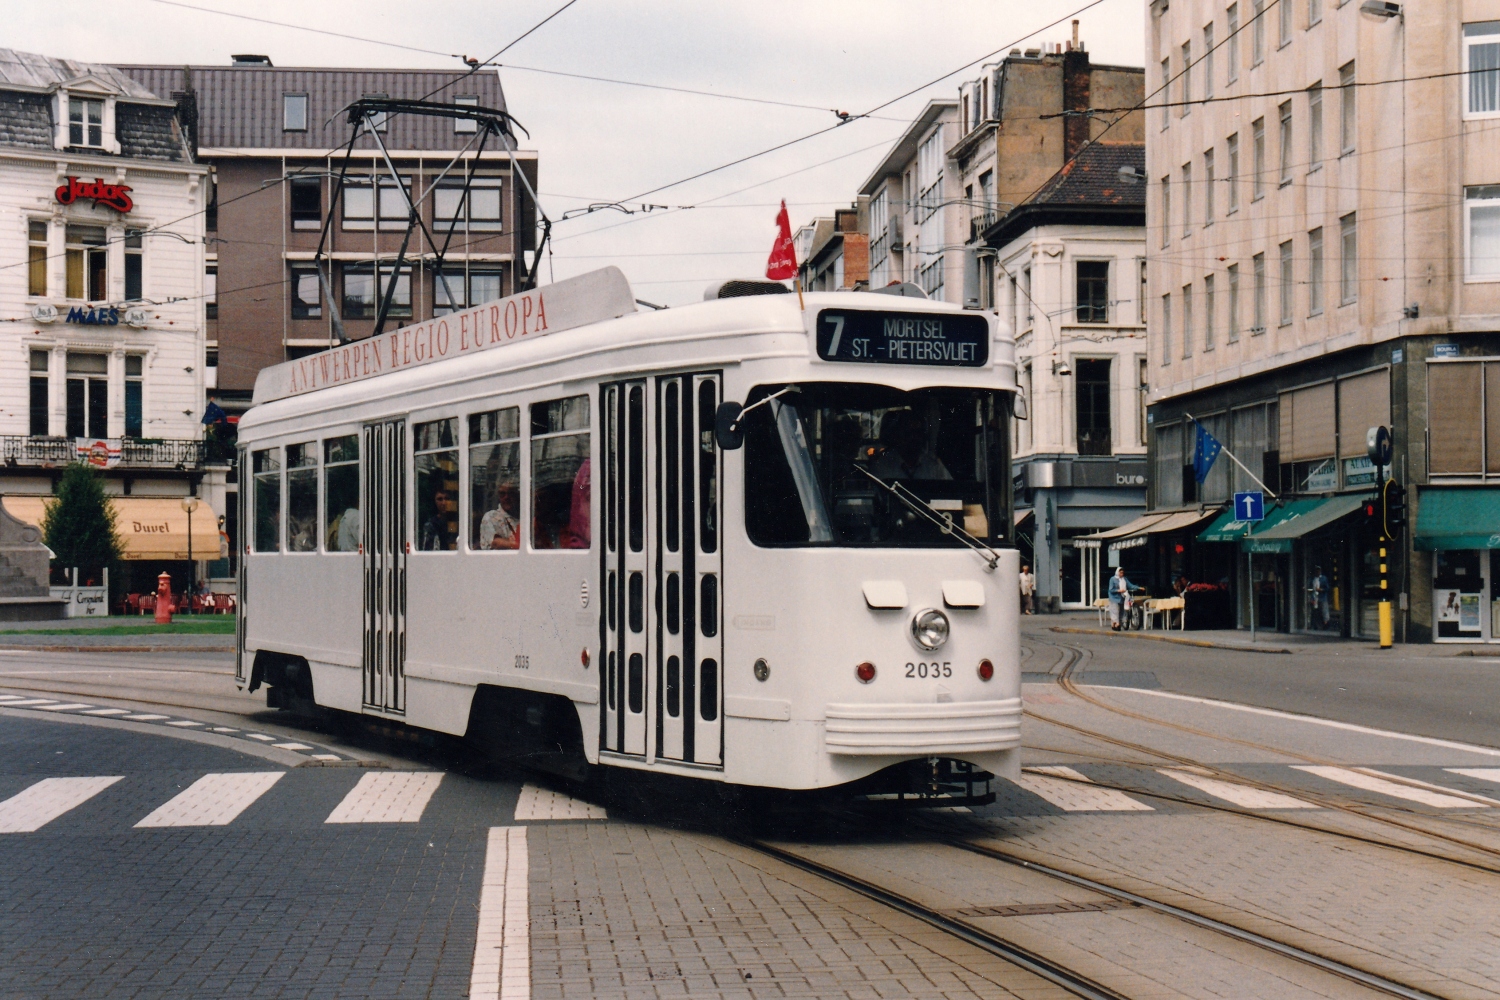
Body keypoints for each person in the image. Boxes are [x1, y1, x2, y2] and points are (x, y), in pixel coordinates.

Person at [870, 409, 952, 480]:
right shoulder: (882, 465)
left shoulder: (934, 465)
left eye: (918, 433)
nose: (914, 438)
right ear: (896, 435)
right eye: (908, 433)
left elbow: (949, 491)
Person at [478, 481, 520, 550]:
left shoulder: (526, 517)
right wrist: (519, 545)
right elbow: (496, 543)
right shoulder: (491, 517)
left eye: (511, 493)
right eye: (502, 494)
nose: (506, 497)